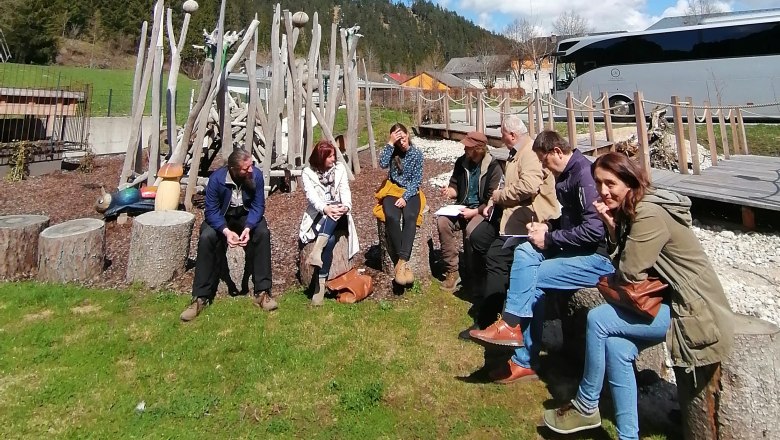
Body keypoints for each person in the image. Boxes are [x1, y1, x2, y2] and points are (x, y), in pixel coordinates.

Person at [543, 152, 734, 439]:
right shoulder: (634, 209)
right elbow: (628, 267)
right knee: (617, 349)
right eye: (598, 183)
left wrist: (612, 232)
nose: (604, 191)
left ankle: (586, 405)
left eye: (611, 183)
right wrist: (611, 227)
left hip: (692, 311)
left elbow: (629, 273)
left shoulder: (648, 214)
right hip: (669, 302)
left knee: (599, 319)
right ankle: (628, 436)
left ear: (630, 182)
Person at [470, 130, 615, 384]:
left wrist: (550, 238)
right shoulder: (568, 174)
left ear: (557, 152)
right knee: (525, 250)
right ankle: (514, 332)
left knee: (532, 279)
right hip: (575, 248)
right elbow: (573, 221)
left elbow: (594, 231)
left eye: (546, 161)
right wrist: (550, 227)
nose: (545, 169)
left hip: (596, 257)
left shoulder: (584, 177)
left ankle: (520, 351)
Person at [466, 115, 558, 331]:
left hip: (529, 219)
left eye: (503, 135)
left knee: (496, 257)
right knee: (478, 238)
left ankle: (489, 319)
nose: (501, 138)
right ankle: (497, 288)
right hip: (508, 211)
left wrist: (499, 197)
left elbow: (529, 186)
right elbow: (508, 182)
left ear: (513, 135)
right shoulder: (516, 153)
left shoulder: (530, 153)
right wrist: (492, 200)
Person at [180, 149, 275, 322]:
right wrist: (225, 231)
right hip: (222, 216)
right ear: (233, 169)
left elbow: (258, 206)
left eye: (251, 166)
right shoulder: (216, 179)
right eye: (246, 169)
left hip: (246, 215)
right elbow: (211, 211)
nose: (250, 170)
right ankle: (200, 297)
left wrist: (248, 227)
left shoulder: (257, 176)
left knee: (262, 233)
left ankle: (263, 292)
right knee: (207, 237)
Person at [437, 131, 502, 292]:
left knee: (472, 232)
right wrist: (449, 191)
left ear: (478, 148)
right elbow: (455, 188)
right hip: (461, 207)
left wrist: (474, 212)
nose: (465, 149)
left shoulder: (493, 167)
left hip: (482, 210)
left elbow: (491, 201)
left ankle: (476, 275)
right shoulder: (461, 162)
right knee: (442, 222)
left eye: (469, 146)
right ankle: (452, 270)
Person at [299, 140, 359, 305]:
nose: (334, 158)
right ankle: (320, 285)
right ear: (320, 157)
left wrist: (346, 206)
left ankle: (317, 251)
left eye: (334, 155)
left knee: (336, 211)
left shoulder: (339, 169)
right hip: (320, 214)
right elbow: (311, 197)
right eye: (330, 156)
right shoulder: (307, 173)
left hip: (339, 214)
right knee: (330, 240)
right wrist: (325, 208)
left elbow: (345, 190)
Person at [374, 123, 425, 286]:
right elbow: (381, 164)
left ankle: (402, 261)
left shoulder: (417, 154)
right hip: (392, 189)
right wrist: (390, 143)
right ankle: (403, 265)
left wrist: (406, 197)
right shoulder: (393, 152)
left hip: (411, 191)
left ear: (407, 135)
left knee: (410, 216)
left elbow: (417, 180)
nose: (401, 142)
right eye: (398, 140)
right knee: (391, 216)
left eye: (402, 138)